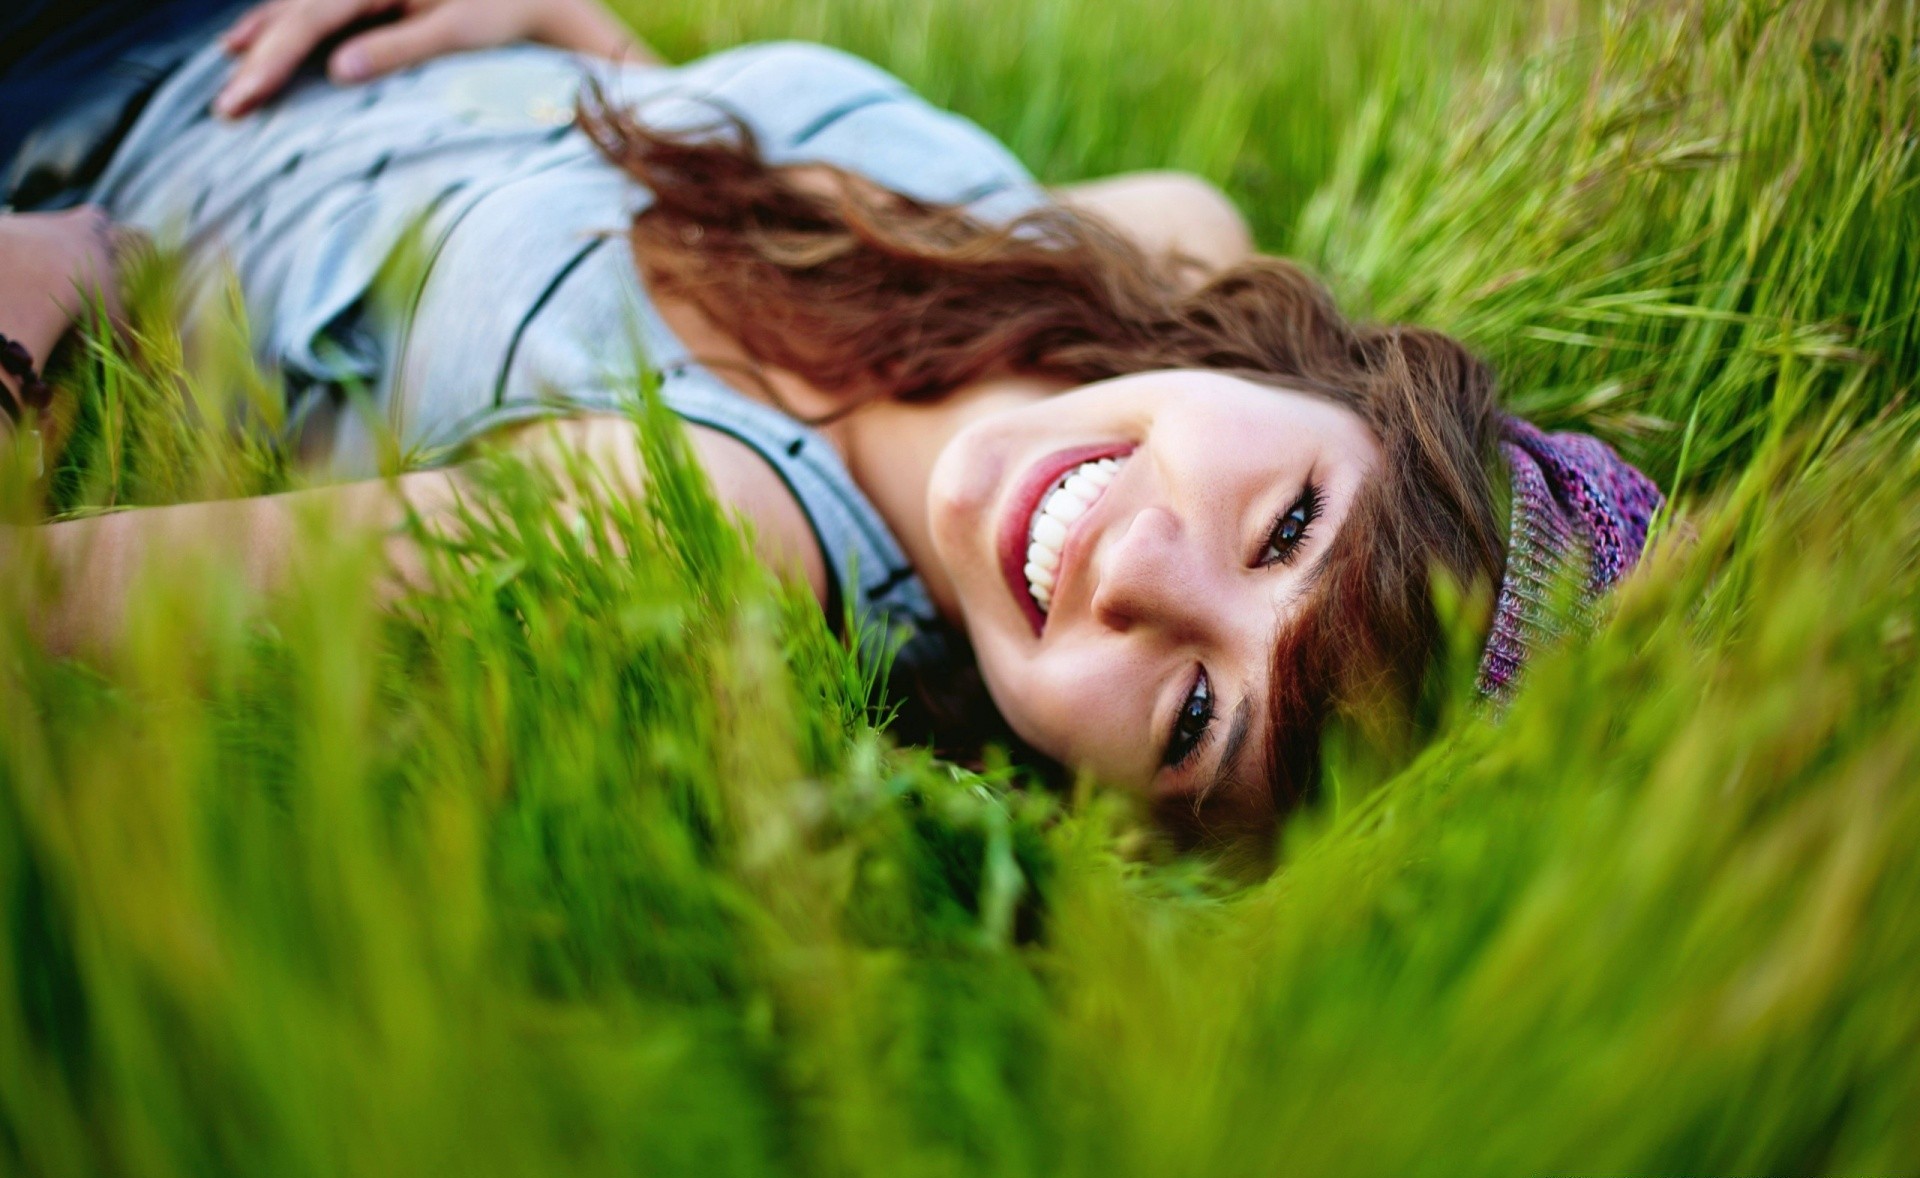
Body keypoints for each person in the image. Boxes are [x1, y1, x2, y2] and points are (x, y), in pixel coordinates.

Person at [0, 0, 1663, 850]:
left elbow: (52, 602)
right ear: (1339, 388)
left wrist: (49, 289)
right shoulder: (1160, 238)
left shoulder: (704, 527)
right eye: (1291, 526)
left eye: (1190, 717)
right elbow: (677, 234)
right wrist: (585, 49)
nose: (1145, 565)